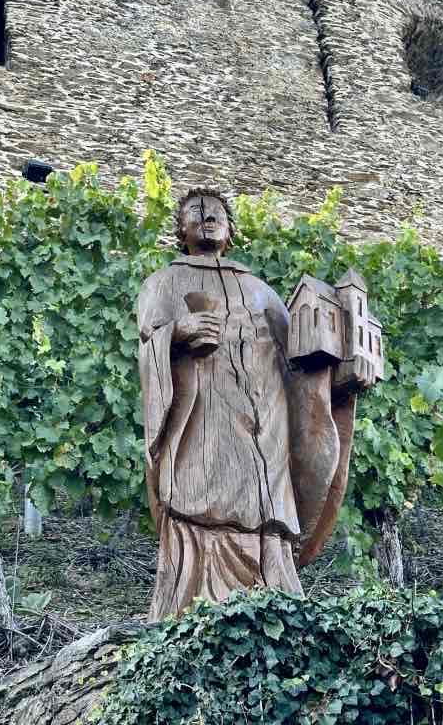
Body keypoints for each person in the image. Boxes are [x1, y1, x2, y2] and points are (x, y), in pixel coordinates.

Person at [138, 188, 370, 621]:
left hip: (264, 432)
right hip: (201, 426)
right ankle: (188, 614)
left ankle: (274, 604)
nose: (207, 217)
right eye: (195, 212)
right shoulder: (164, 282)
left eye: (216, 213)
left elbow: (300, 364)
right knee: (198, 504)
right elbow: (149, 341)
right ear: (180, 231)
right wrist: (178, 333)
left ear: (230, 231)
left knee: (265, 514)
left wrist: (340, 374)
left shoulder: (262, 292)